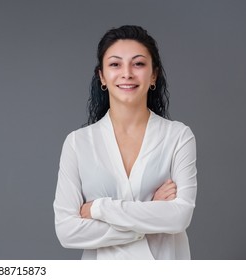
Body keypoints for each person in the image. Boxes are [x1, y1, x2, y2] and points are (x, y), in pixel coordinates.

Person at [53, 25, 197, 259]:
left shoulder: (178, 136)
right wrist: (152, 213)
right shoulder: (78, 143)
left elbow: (179, 217)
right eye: (115, 64)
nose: (127, 73)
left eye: (138, 64)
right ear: (102, 76)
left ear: (153, 75)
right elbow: (67, 232)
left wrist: (99, 209)